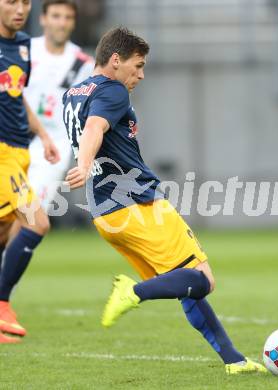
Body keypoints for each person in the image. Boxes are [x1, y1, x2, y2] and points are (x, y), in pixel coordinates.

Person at [63, 27, 266, 374]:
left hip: (104, 213)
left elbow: (91, 129)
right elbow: (95, 128)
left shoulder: (74, 92)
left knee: (185, 284)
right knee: (202, 278)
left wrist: (84, 166)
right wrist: (81, 164)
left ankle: (233, 361)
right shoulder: (112, 90)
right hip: (138, 204)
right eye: (137, 66)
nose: (141, 75)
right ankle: (133, 292)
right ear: (115, 60)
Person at [0, 0, 59, 343]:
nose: (20, 8)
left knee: (4, 236)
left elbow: (16, 94)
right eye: (11, 1)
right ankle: (3, 303)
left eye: (25, 1)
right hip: (2, 156)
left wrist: (43, 134)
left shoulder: (22, 44)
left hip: (20, 152)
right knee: (37, 222)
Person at [24, 0, 94, 211]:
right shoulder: (25, 50)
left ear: (73, 23)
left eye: (68, 17)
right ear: (43, 19)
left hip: (55, 146)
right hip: (16, 138)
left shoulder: (83, 63)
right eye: (56, 16)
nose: (61, 23)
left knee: (31, 212)